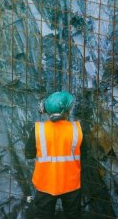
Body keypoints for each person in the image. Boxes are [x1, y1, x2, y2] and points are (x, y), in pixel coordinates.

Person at [25, 91, 84, 219]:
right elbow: (83, 155)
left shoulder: (38, 130)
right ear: (66, 112)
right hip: (71, 184)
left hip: (45, 184)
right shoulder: (77, 130)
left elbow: (28, 154)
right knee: (73, 216)